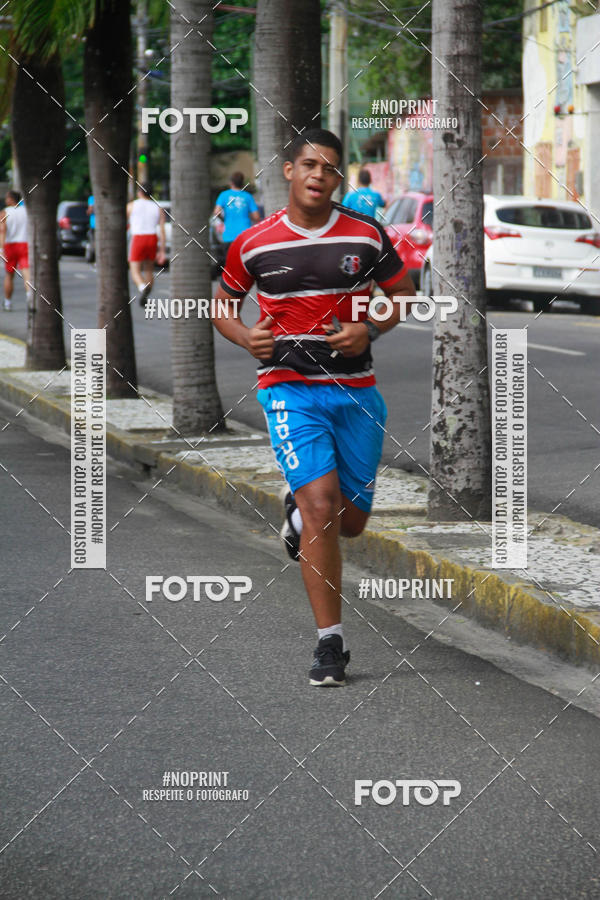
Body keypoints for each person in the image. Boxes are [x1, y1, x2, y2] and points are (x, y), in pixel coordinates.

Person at [211, 129, 415, 687]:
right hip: (288, 388)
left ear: (337, 178)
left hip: (357, 393)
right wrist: (244, 336)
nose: (318, 176)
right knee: (324, 507)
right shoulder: (253, 242)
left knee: (350, 524)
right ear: (289, 170)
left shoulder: (366, 234)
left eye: (329, 168)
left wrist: (369, 328)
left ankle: (297, 512)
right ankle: (331, 643)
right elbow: (223, 304)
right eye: (309, 165)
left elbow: (402, 295)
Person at [127, 183, 166, 305]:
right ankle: (147, 292)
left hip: (138, 237)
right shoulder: (158, 207)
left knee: (134, 269)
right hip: (152, 237)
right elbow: (162, 230)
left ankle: (142, 287)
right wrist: (162, 251)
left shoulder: (131, 205)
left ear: (139, 192)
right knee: (149, 269)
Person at [213, 171, 260, 256]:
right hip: (245, 236)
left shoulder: (224, 195)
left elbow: (216, 212)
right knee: (245, 262)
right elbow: (256, 217)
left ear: (231, 182)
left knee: (231, 262)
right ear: (242, 183)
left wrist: (223, 219)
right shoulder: (248, 196)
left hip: (229, 236)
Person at [0, 190, 30, 311]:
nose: (5, 200)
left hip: (10, 245)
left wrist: (1, 248)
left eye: (7, 198)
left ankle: (7, 302)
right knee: (26, 271)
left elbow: (2, 230)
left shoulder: (5, 212)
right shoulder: (26, 211)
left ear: (11, 199)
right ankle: (29, 295)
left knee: (9, 275)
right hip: (24, 243)